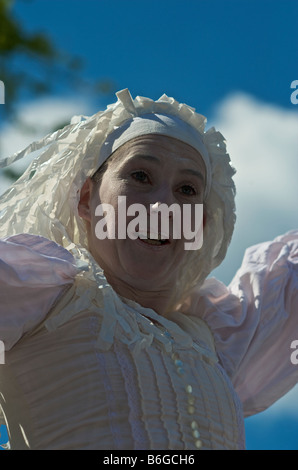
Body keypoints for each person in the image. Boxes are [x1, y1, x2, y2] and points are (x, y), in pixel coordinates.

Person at [0, 89, 297, 450]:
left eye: (187, 189)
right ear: (85, 199)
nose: (163, 206)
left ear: (198, 226)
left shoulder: (220, 342)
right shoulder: (41, 292)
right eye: (140, 176)